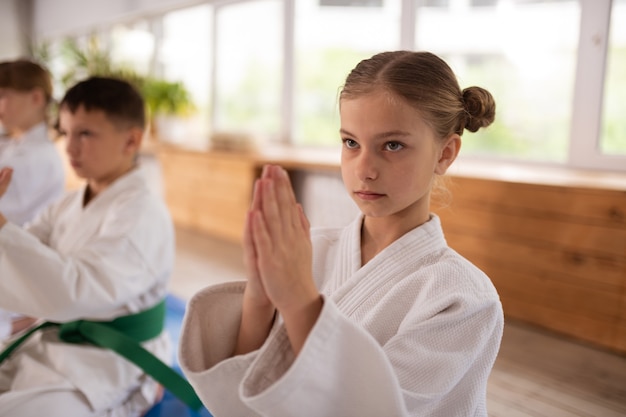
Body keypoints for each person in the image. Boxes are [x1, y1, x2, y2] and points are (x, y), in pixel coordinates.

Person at [178, 50, 504, 417]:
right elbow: (238, 394)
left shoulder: (463, 298)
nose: (364, 169)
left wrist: (301, 303)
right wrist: (260, 295)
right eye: (351, 143)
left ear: (445, 153)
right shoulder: (313, 249)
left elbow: (378, 410)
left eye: (392, 145)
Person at [0, 76, 178, 416]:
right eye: (66, 133)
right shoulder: (68, 204)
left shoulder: (141, 214)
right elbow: (26, 254)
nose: (69, 148)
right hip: (55, 341)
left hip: (109, 360)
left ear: (131, 140)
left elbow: (74, 291)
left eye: (85, 134)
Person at [0, 59, 65, 340]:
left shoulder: (35, 159)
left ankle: (17, 323)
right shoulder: (17, 145)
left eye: (3, 96)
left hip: (18, 269)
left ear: (36, 98)